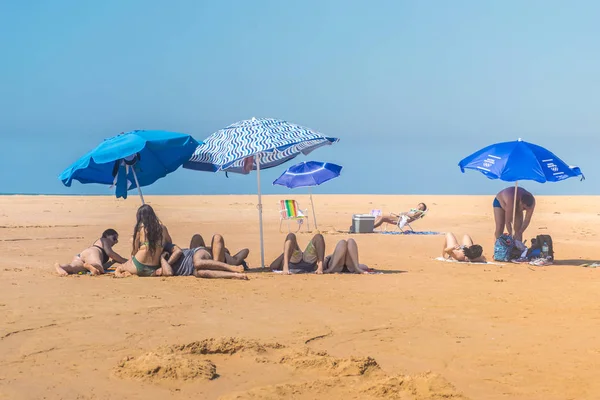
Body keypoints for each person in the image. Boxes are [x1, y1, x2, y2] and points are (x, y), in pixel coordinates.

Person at [114, 204, 173, 278]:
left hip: (139, 264)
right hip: (154, 267)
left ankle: (120, 274)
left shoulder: (140, 228)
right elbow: (169, 242)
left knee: (120, 268)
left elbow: (134, 251)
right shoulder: (163, 228)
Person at [161, 234, 248, 280]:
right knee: (199, 237)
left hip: (209, 257)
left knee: (215, 238)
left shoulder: (227, 258)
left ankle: (233, 268)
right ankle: (234, 270)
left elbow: (246, 251)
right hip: (203, 255)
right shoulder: (207, 252)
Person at [55, 229, 128, 276]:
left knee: (73, 267)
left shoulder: (102, 243)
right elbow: (111, 254)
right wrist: (127, 261)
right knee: (98, 266)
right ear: (106, 236)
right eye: (114, 238)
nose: (116, 241)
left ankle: (60, 266)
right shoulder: (105, 240)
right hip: (92, 252)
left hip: (83, 255)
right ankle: (91, 267)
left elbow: (104, 265)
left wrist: (112, 262)